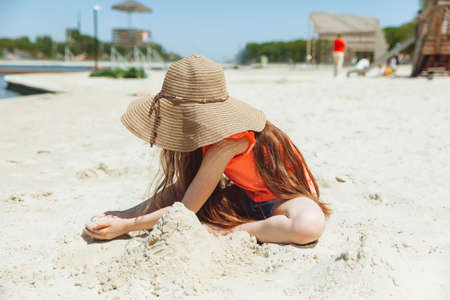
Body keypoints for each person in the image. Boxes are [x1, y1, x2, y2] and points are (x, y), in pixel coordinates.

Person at [83, 55, 330, 245]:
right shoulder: (206, 135)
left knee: (308, 225)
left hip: (284, 199)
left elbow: (186, 209)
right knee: (183, 191)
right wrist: (124, 215)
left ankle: (221, 231)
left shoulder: (231, 140)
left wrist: (127, 226)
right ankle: (233, 226)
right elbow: (184, 189)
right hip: (244, 196)